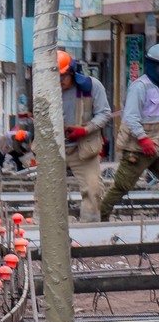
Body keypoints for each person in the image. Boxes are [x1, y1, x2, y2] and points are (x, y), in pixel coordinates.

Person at [58, 50, 114, 221]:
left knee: (93, 189)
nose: (59, 82)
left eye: (62, 77)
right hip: (55, 148)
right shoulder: (46, 89)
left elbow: (104, 114)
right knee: (45, 193)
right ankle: (40, 232)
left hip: (83, 148)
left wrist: (85, 129)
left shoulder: (91, 87)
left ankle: (90, 228)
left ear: (72, 72)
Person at [103, 47, 159, 218]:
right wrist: (143, 138)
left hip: (156, 143)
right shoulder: (140, 87)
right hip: (137, 147)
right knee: (122, 185)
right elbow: (131, 117)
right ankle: (101, 215)